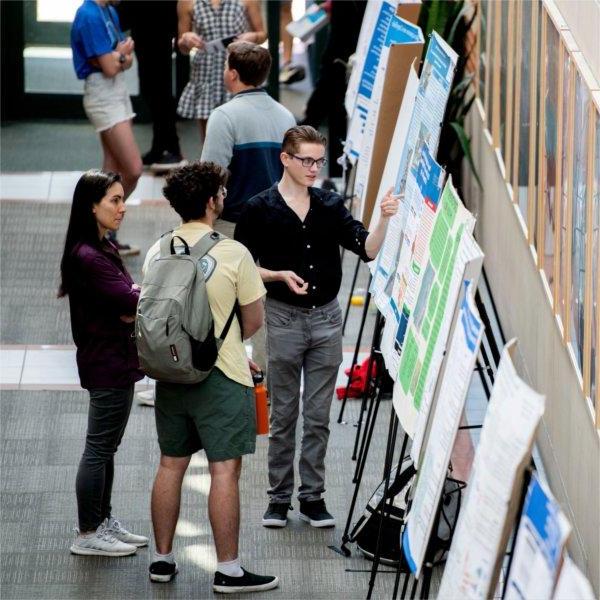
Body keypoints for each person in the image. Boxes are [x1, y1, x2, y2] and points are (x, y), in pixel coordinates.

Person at [235, 126, 398, 528]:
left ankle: (312, 497)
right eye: (305, 160)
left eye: (319, 161)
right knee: (284, 413)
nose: (313, 168)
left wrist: (383, 219)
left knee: (319, 415)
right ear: (286, 159)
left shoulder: (329, 204)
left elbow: (368, 248)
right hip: (283, 317)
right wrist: (278, 275)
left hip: (327, 318)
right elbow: (241, 266)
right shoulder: (259, 208)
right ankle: (278, 499)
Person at [143, 162, 278, 593]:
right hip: (223, 375)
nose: (224, 197)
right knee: (224, 473)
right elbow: (253, 319)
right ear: (210, 201)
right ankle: (229, 570)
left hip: (172, 373)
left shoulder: (158, 248)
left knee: (170, 465)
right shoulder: (232, 252)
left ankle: (162, 560)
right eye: (220, 192)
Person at [58, 170, 148, 556]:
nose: (122, 208)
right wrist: (131, 302)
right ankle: (88, 531)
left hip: (117, 358)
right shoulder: (89, 256)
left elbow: (130, 297)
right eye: (114, 200)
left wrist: (131, 301)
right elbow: (132, 300)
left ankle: (102, 520)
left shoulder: (100, 247)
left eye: (122, 199)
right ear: (91, 206)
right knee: (98, 448)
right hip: (106, 360)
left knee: (106, 447)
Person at [70, 0, 143, 256]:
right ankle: (98, 226)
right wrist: (119, 56)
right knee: (133, 169)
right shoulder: (89, 14)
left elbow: (125, 60)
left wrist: (118, 57)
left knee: (111, 169)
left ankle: (102, 235)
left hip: (116, 91)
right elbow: (114, 65)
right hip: (102, 95)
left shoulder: (109, 10)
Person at [176, 0, 266, 142]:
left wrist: (252, 37)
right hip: (206, 71)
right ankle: (211, 163)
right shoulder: (187, 2)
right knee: (209, 136)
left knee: (241, 131)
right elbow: (182, 47)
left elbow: (262, 34)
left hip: (238, 69)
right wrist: (186, 40)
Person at [116, 1, 186, 172]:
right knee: (154, 94)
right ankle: (160, 146)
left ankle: (171, 148)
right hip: (148, 38)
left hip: (158, 39)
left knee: (160, 96)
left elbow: (124, 16)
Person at [300, 0, 367, 176]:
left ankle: (336, 176)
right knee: (330, 117)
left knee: (334, 118)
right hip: (343, 59)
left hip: (344, 62)